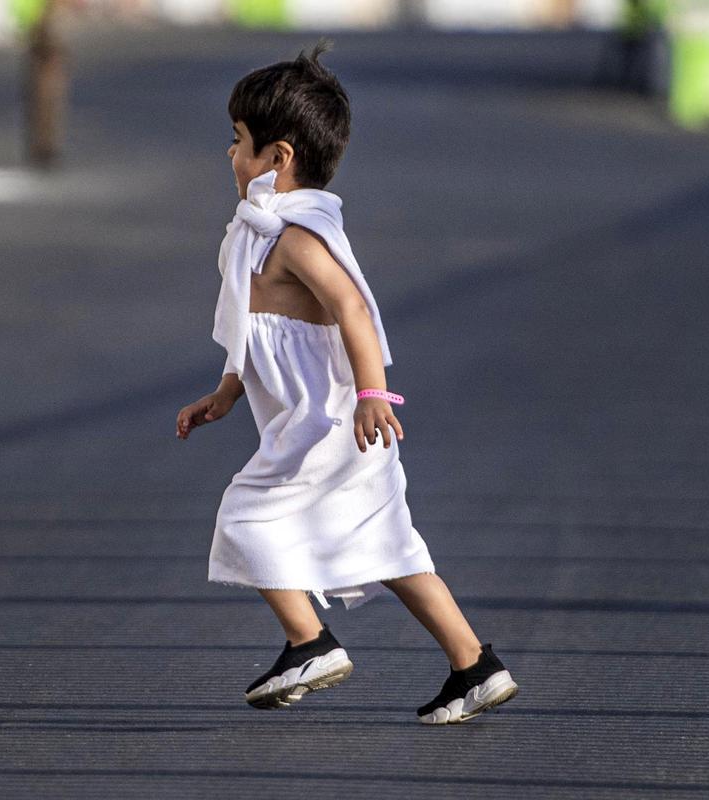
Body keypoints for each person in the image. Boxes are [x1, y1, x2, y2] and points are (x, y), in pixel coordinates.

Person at [175, 40, 518, 725]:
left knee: (246, 514)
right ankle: (474, 664)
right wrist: (227, 391)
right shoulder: (257, 236)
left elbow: (353, 310)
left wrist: (370, 394)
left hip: (329, 421)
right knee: (388, 545)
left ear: (279, 159)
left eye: (239, 141)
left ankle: (311, 641)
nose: (229, 155)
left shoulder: (297, 238)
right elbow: (255, 329)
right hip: (333, 423)